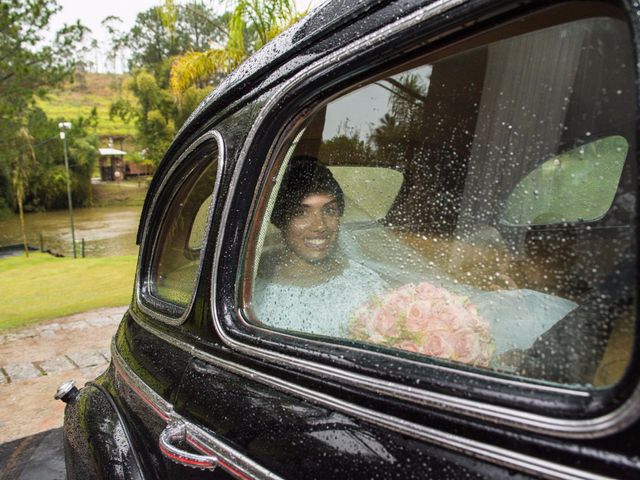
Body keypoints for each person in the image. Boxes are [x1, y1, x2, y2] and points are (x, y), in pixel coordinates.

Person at [252, 157, 387, 337]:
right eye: (301, 213)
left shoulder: (365, 286)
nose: (320, 226)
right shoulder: (249, 282)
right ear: (280, 220)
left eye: (329, 210)